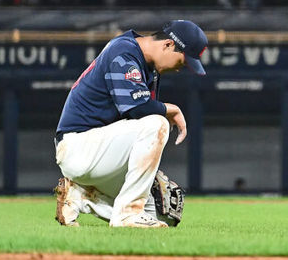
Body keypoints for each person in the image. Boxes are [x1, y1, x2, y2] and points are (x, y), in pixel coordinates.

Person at [53, 20, 207, 228]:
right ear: (168, 45)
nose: (180, 68)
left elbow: (136, 116)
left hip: (101, 151)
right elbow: (137, 109)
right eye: (182, 61)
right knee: (157, 124)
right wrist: (172, 109)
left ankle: (80, 196)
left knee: (161, 214)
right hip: (79, 146)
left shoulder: (148, 66)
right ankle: (126, 215)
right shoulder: (124, 51)